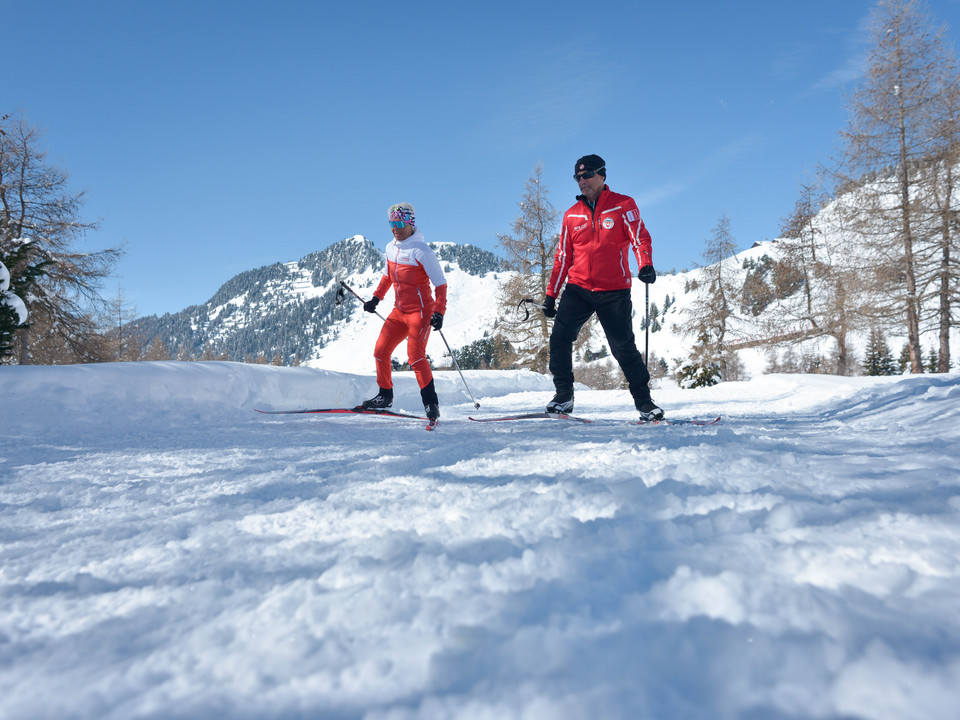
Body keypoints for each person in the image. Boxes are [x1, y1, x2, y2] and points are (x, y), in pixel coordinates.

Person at [542, 154, 663, 421]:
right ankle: (563, 396)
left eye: (587, 176)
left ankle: (644, 402)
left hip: (614, 290)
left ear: (602, 175)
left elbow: (639, 237)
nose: (581, 181)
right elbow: (563, 256)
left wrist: (645, 264)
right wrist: (551, 294)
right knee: (560, 338)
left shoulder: (623, 205)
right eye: (577, 177)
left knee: (622, 347)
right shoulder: (571, 216)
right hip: (579, 287)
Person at [361, 202, 446, 421]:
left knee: (415, 357)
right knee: (380, 352)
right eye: (391, 223)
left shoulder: (422, 251)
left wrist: (439, 312)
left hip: (420, 313)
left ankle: (431, 404)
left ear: (410, 223)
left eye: (399, 223)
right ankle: (384, 395)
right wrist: (376, 298)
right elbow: (388, 276)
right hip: (399, 311)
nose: (395, 228)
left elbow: (440, 285)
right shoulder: (391, 248)